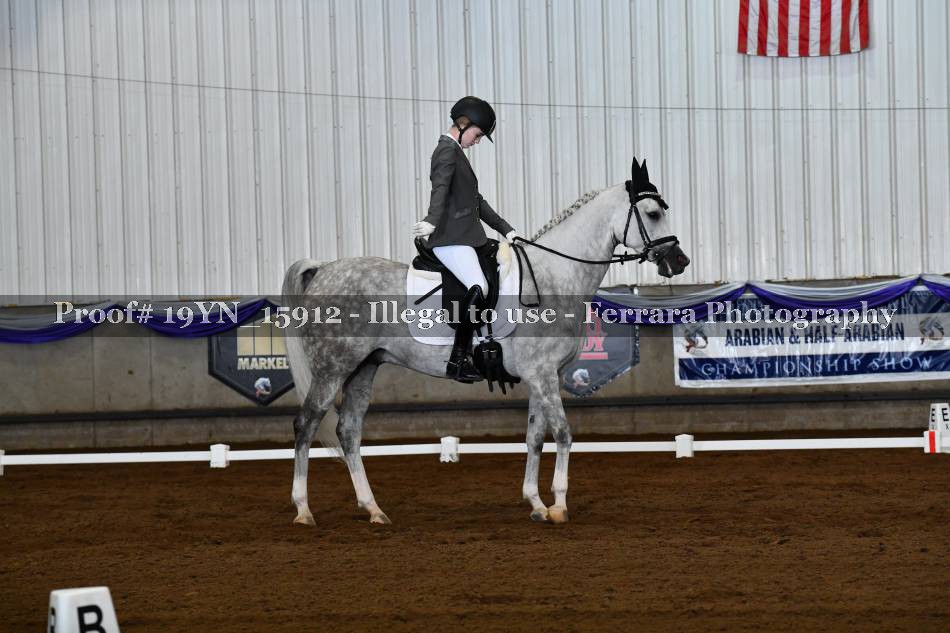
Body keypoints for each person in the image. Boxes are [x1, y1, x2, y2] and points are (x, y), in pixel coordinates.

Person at [412, 96, 522, 382]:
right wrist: (431, 220)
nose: (478, 140)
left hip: (466, 236)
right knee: (479, 286)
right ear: (463, 124)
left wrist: (506, 229)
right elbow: (440, 188)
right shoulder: (446, 151)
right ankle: (458, 359)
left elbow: (476, 201)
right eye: (478, 134)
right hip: (450, 239)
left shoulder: (457, 152)